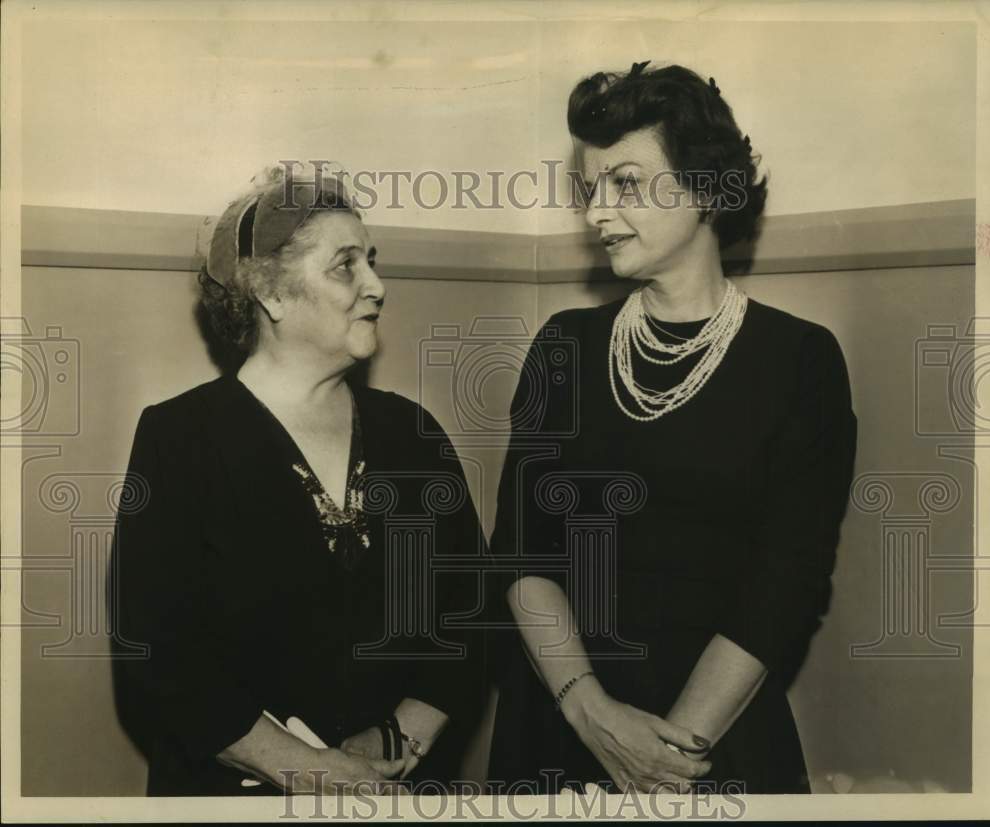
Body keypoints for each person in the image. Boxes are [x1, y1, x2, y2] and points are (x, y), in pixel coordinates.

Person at [488, 63, 858, 794]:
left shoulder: (799, 360)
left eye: (626, 183)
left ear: (706, 188)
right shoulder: (564, 345)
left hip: (710, 741)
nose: (599, 213)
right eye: (591, 189)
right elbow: (521, 553)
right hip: (560, 723)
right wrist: (591, 713)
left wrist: (666, 761)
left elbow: (785, 584)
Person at [109, 167, 487, 795]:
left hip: (404, 789)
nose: (377, 286)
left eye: (372, 261)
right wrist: (308, 768)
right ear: (272, 295)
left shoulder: (413, 433)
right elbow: (158, 656)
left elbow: (471, 617)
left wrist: (400, 738)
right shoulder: (180, 440)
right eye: (346, 266)